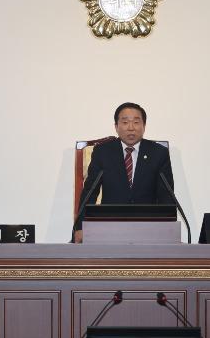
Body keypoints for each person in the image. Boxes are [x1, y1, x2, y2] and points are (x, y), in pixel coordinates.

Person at [74, 102, 175, 242]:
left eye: (136, 122)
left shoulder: (158, 153)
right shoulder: (103, 152)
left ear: (144, 126)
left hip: (148, 229)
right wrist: (80, 227)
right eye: (125, 122)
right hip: (108, 227)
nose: (131, 127)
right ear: (116, 126)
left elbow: (167, 196)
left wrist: (169, 230)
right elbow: (90, 192)